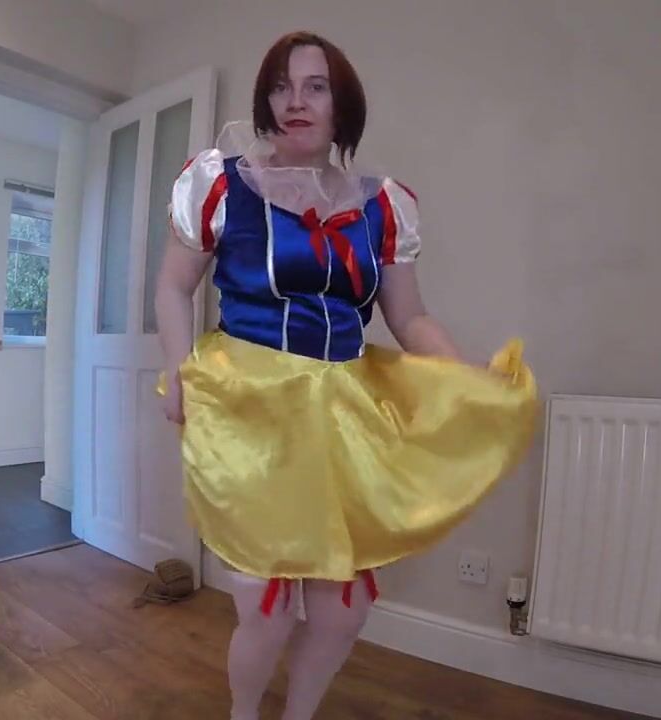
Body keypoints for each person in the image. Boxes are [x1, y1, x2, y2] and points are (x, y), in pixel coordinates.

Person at [154, 31, 538, 720]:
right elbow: (173, 287)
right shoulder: (222, 184)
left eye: (316, 86)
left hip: (342, 414)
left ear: (344, 105)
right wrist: (179, 369)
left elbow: (409, 317)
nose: (295, 101)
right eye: (280, 86)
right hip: (251, 413)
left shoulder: (382, 204)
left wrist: (466, 380)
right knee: (266, 608)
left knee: (341, 611)